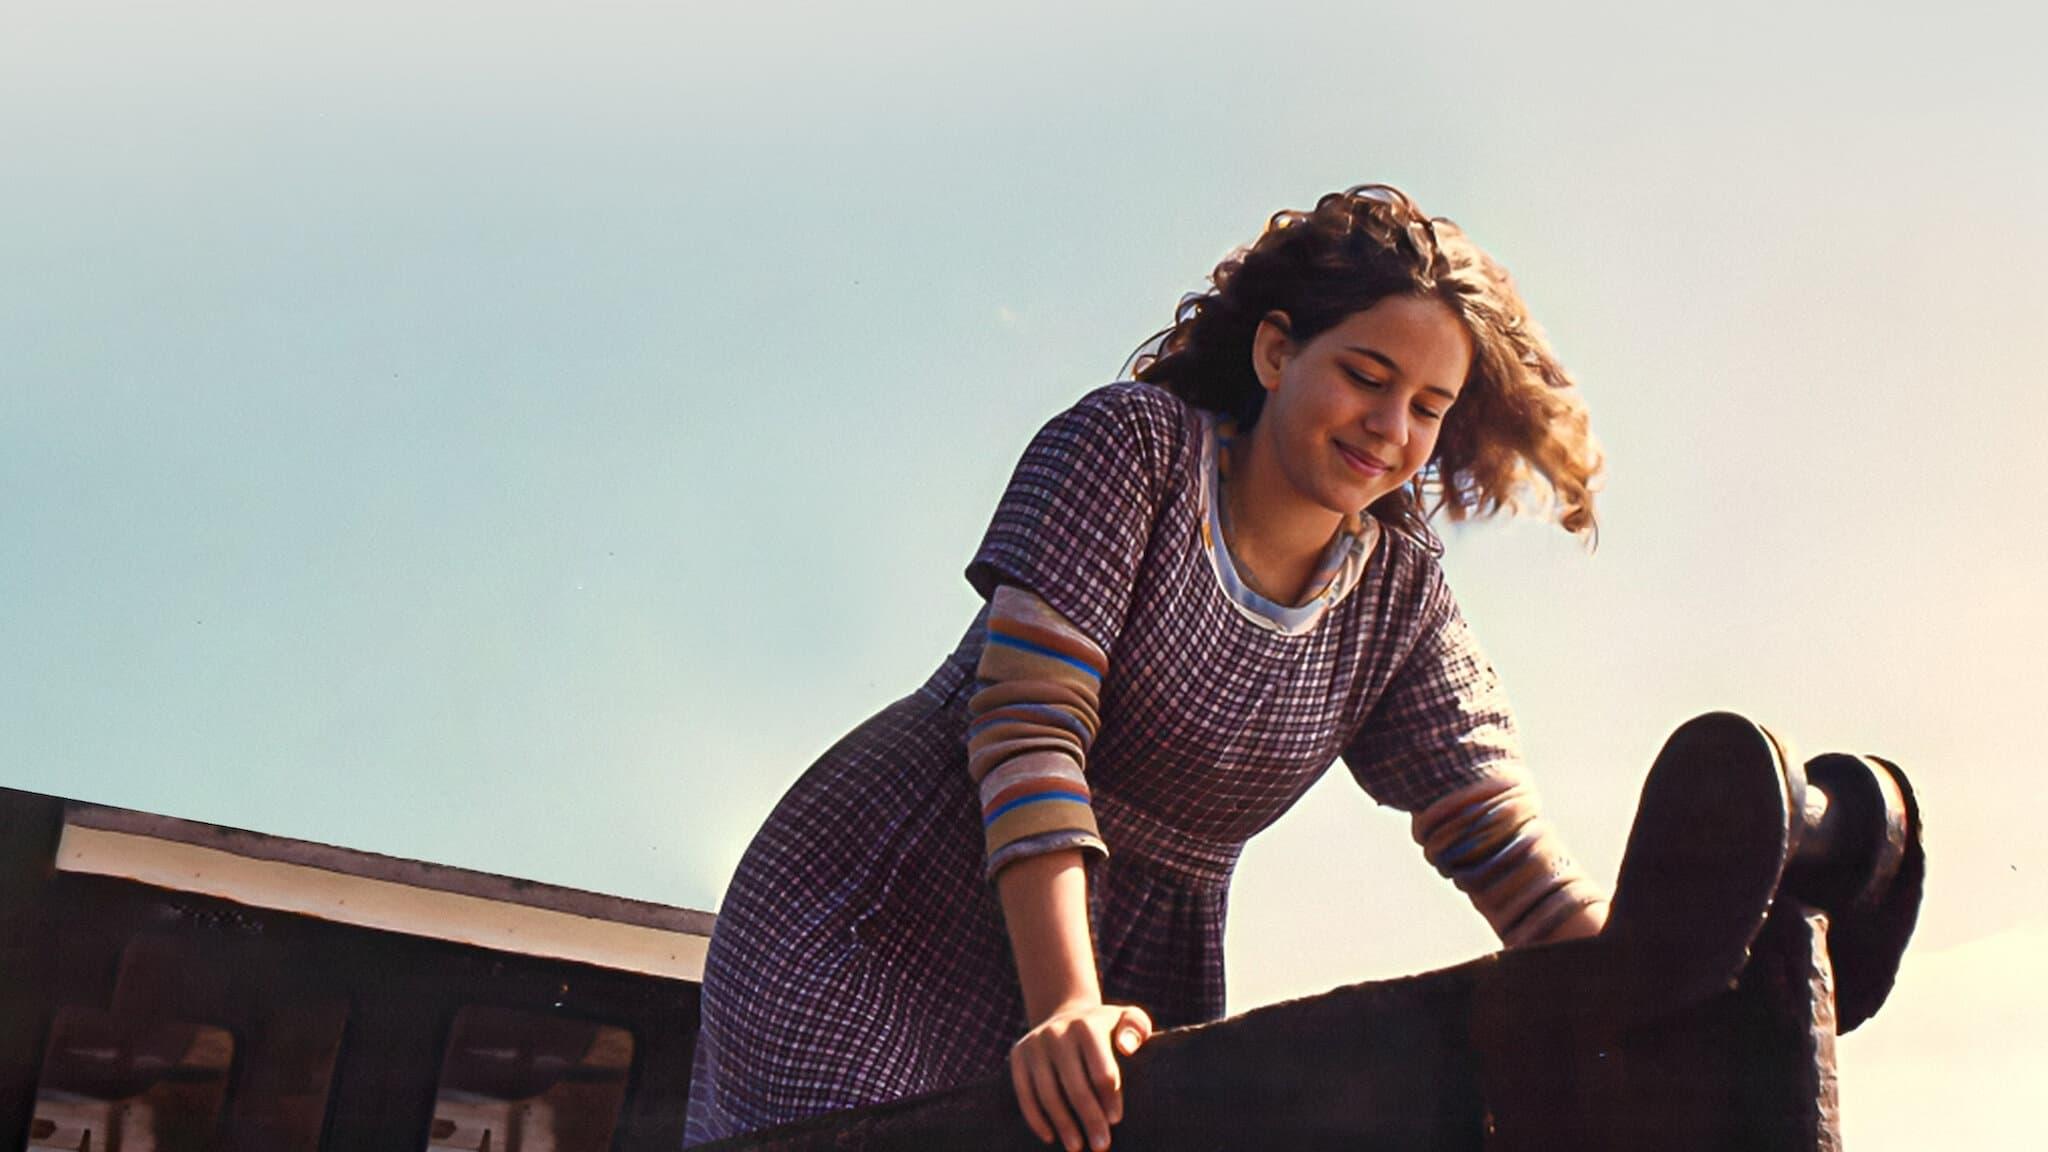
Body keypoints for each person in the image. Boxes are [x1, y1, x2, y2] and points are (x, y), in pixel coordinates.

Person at [681, 184, 1609, 1151]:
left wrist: (1644, 976)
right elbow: (1029, 725)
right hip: (884, 911)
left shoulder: (1400, 598)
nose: (1391, 428)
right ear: (1276, 352)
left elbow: (1495, 833)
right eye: (1366, 376)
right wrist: (1066, 1005)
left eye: (1427, 406)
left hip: (1130, 975)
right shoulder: (1133, 447)